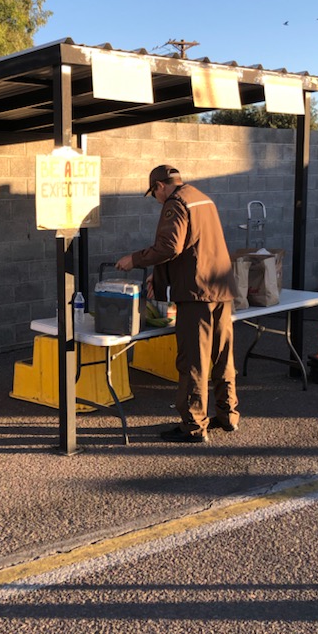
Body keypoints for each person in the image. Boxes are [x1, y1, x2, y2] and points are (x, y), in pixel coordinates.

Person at [116, 165, 239, 444]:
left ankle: (193, 426)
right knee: (222, 356)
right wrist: (158, 275)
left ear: (160, 186)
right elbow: (194, 247)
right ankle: (227, 415)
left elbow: (170, 246)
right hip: (221, 288)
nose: (156, 199)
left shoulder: (176, 203)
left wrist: (134, 259)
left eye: (154, 194)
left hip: (197, 295)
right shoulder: (201, 197)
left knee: (192, 361)